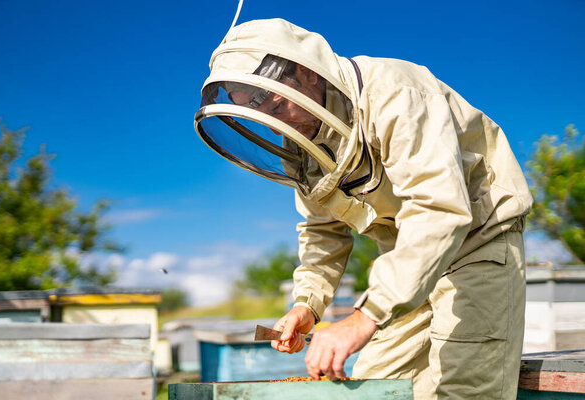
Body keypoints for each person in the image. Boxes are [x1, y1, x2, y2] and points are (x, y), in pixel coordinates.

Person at [194, 18, 532, 399]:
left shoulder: (397, 93)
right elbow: (321, 231)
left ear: (305, 73)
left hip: (478, 241)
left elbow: (439, 209)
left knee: (464, 389)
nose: (276, 126)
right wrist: (308, 304)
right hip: (407, 261)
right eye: (264, 117)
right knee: (372, 387)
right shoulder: (303, 144)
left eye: (276, 105)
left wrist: (364, 318)